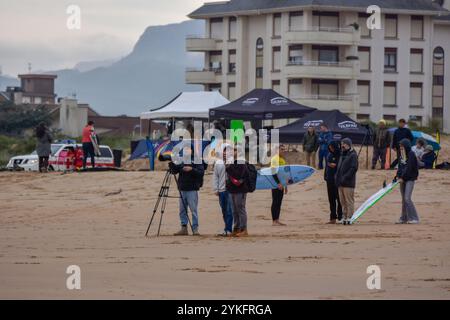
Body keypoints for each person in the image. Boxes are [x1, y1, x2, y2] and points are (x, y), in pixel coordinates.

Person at [171, 147, 205, 236]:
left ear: (192, 150)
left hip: (192, 189)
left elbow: (201, 173)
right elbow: (174, 171)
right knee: (182, 210)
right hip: (182, 189)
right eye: (185, 149)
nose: (186, 151)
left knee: (193, 210)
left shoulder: (197, 160)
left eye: (188, 149)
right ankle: (184, 228)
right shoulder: (181, 160)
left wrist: (192, 169)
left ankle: (195, 229)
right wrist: (172, 164)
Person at [226, 148, 250, 237]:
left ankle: (244, 229)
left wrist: (228, 168)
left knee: (240, 208)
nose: (232, 152)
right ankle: (236, 228)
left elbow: (238, 175)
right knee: (234, 210)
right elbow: (229, 176)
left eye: (235, 150)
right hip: (232, 189)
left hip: (241, 189)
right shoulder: (231, 162)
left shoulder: (242, 162)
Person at [395, 139, 420, 224]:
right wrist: (397, 176)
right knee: (403, 199)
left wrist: (402, 177)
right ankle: (404, 218)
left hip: (410, 179)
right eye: (400, 147)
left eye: (402, 146)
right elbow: (400, 167)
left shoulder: (411, 154)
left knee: (407, 198)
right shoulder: (401, 155)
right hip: (402, 179)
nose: (401, 148)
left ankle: (414, 218)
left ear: (406, 146)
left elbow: (409, 168)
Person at [335, 138, 359, 225]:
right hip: (340, 183)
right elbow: (339, 167)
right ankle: (344, 217)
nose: (342, 145)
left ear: (348, 145)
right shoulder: (342, 154)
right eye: (342, 144)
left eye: (344, 144)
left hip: (348, 183)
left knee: (349, 201)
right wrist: (337, 178)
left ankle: (350, 217)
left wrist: (345, 177)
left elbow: (354, 168)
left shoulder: (353, 155)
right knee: (342, 202)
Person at [212, 144, 233, 237]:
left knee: (229, 210)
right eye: (224, 151)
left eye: (227, 151)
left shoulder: (233, 161)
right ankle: (226, 227)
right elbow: (215, 177)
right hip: (221, 190)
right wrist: (216, 189)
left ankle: (229, 229)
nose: (225, 153)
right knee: (224, 210)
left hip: (230, 190)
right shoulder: (218, 163)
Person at [324, 140, 343, 224]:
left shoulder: (341, 155)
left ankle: (340, 217)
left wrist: (336, 166)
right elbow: (327, 167)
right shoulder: (329, 155)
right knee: (331, 200)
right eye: (329, 147)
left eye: (332, 147)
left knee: (339, 200)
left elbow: (342, 167)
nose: (330, 148)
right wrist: (325, 177)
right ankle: (332, 218)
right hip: (329, 180)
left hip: (338, 181)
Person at [270, 145, 288, 226]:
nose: (283, 151)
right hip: (275, 184)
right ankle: (274, 221)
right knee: (275, 202)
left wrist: (285, 185)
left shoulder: (282, 160)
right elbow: (273, 173)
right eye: (282, 149)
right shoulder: (274, 159)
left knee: (279, 202)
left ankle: (277, 220)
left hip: (281, 184)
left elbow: (284, 174)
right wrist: (278, 183)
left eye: (284, 149)